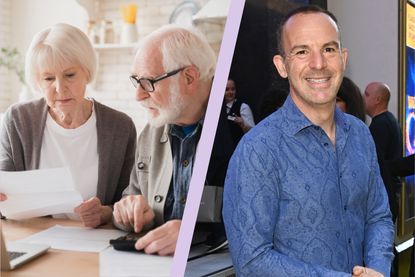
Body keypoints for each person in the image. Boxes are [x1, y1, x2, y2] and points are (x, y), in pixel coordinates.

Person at [223, 5, 394, 277]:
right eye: (302, 51)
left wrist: (378, 269)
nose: (318, 64)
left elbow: (378, 216)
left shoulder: (361, 135)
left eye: (329, 49)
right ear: (282, 65)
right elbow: (252, 260)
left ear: (343, 57)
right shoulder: (258, 149)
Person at [0, 23, 137, 228]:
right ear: (38, 81)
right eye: (48, 78)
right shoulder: (18, 121)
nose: (60, 88)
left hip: (95, 239)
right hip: (32, 237)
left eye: (70, 75)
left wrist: (105, 213)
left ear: (87, 73)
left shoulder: (120, 127)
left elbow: (129, 200)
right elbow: (6, 199)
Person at [112, 25, 216, 256]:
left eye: (148, 82)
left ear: (189, 77)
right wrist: (129, 212)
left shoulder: (238, 132)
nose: (138, 95)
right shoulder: (151, 132)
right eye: (136, 81)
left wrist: (194, 233)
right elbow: (132, 195)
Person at [364, 82, 403, 222]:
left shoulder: (380, 125)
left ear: (377, 100)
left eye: (367, 94)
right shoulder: (390, 120)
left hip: (384, 195)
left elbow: (375, 164)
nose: (363, 98)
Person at [224, 78, 255, 147]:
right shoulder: (219, 108)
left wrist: (243, 124)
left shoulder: (243, 107)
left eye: (233, 89)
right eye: (227, 89)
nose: (230, 92)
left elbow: (253, 133)